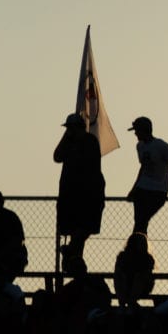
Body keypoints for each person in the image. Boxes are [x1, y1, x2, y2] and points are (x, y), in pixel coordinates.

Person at [53, 113, 105, 273]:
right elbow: (57, 156)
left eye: (71, 128)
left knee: (85, 228)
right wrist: (66, 136)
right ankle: (73, 258)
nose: (69, 131)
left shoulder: (90, 141)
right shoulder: (68, 142)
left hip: (88, 193)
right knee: (76, 229)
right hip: (70, 193)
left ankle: (71, 253)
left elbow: (87, 165)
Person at [113, 232, 155, 310]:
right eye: (140, 242)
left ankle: (130, 303)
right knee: (120, 275)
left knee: (139, 277)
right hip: (125, 285)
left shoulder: (147, 258)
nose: (142, 245)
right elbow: (118, 272)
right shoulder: (123, 256)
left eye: (143, 242)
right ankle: (123, 303)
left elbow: (147, 276)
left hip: (143, 287)